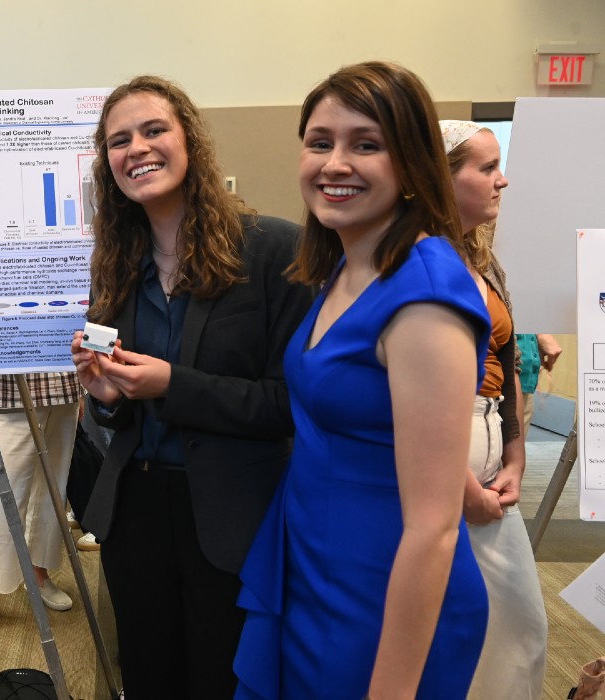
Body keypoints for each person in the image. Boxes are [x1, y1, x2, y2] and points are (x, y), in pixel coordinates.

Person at [233, 62, 491, 699]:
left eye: (366, 145)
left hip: (385, 593)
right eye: (320, 142)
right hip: (318, 560)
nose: (334, 163)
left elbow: (432, 529)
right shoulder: (350, 266)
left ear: (410, 165)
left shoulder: (424, 294)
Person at [68, 76, 312, 698]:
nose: (137, 149)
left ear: (189, 142)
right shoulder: (117, 262)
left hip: (234, 513)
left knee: (223, 678)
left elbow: (289, 404)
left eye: (154, 130)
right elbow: (119, 414)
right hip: (136, 514)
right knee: (147, 676)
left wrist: (171, 384)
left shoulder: (272, 248)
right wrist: (108, 398)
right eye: (119, 140)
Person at [442, 118, 547, 699]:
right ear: (440, 179)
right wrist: (458, 484)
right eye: (486, 168)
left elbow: (504, 365)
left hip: (489, 471)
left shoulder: (480, 261)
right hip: (438, 477)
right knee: (458, 636)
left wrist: (515, 454)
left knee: (519, 632)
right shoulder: (409, 264)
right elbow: (397, 394)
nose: (502, 181)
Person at [0, 371, 80, 639]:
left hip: (64, 381)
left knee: (53, 487)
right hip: (9, 382)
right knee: (2, 494)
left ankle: (39, 573)